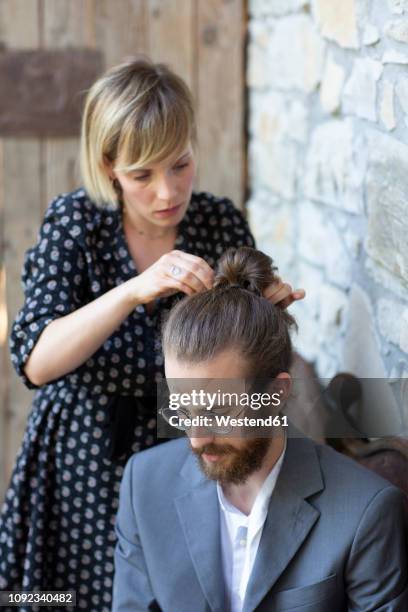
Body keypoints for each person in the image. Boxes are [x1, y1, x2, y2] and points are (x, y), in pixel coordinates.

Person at [0, 59, 303, 611]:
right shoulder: (77, 223)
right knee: (69, 597)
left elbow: (245, 356)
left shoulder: (218, 223)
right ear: (109, 166)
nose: (167, 191)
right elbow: (36, 362)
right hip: (84, 461)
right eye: (142, 175)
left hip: (190, 448)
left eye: (180, 164)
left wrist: (265, 313)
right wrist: (133, 290)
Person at [113, 246, 408, 612]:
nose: (196, 438)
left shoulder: (367, 510)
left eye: (218, 411)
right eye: (181, 410)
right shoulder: (143, 485)